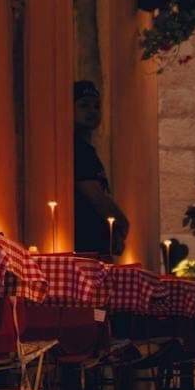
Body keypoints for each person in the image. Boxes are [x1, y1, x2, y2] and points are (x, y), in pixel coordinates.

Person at [71, 80, 129, 258]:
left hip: (99, 243)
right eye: (84, 105)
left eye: (96, 106)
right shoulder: (79, 149)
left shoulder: (89, 151)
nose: (92, 111)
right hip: (86, 243)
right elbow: (95, 196)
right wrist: (122, 222)